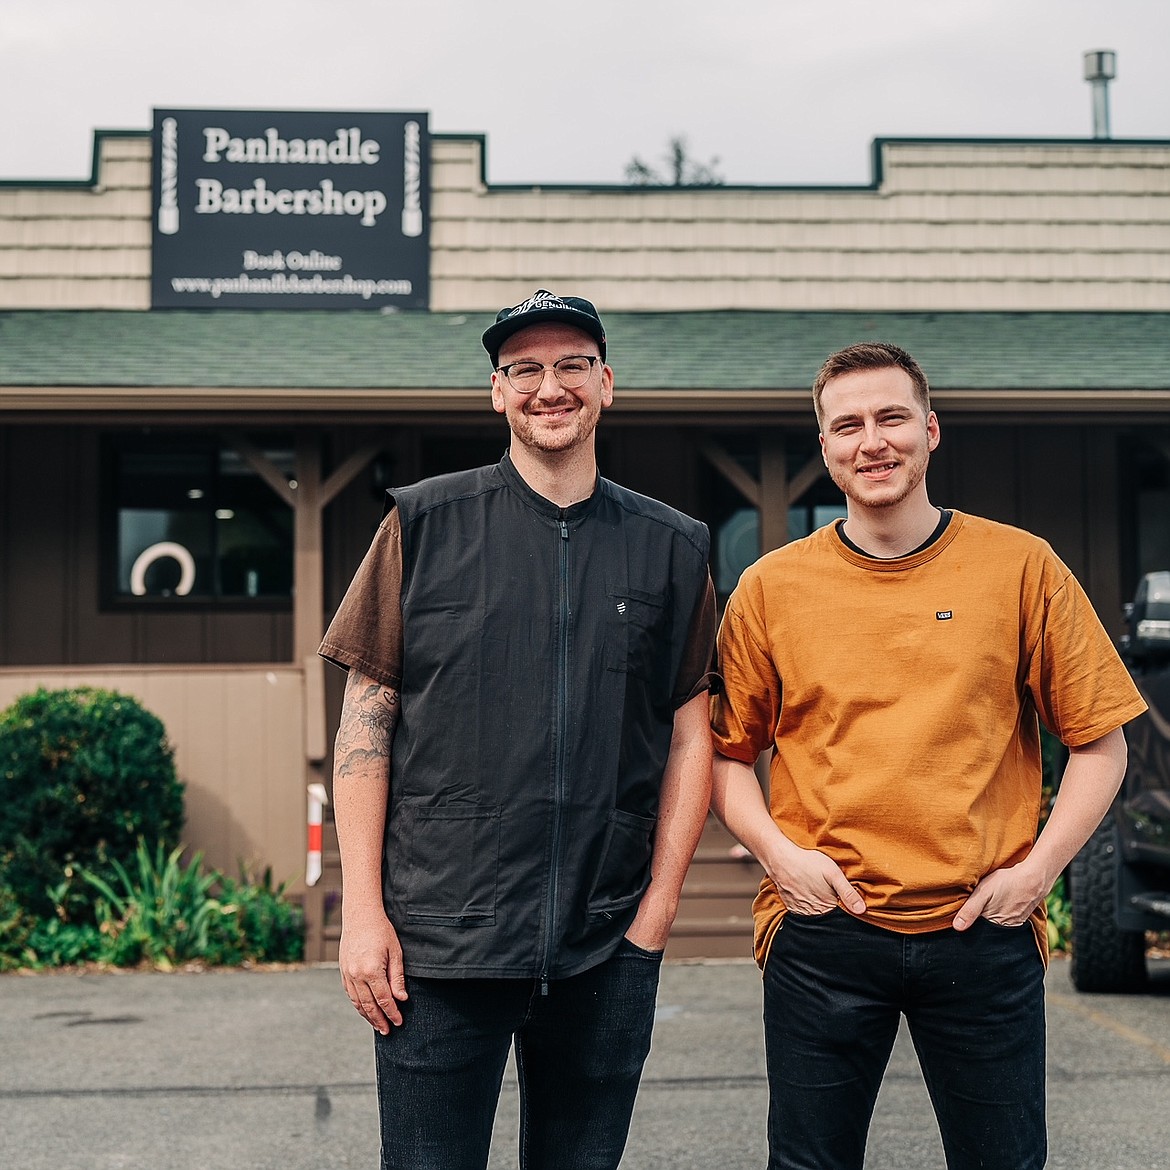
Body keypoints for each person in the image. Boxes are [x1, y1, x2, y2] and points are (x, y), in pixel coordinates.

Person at [709, 341, 1147, 1170]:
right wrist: (780, 858)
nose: (871, 441)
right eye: (847, 426)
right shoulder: (770, 588)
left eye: (891, 418)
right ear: (826, 448)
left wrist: (1036, 876)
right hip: (823, 929)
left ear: (931, 431)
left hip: (982, 927)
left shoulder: (1020, 567)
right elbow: (726, 755)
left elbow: (1102, 743)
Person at [319, 288, 717, 1170]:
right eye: (524, 369)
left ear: (606, 383)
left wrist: (655, 915)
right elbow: (365, 725)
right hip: (436, 949)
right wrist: (363, 917)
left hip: (605, 944)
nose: (550, 386)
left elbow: (694, 736)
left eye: (571, 365)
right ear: (497, 392)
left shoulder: (673, 546)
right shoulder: (421, 525)